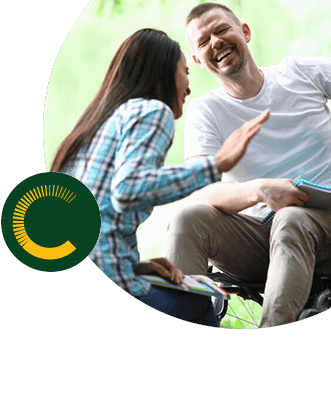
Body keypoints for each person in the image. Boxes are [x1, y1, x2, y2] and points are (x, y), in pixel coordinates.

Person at [164, 2, 331, 327]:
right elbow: (202, 190)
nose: (215, 42)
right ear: (198, 60)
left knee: (291, 218)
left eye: (221, 30)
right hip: (260, 236)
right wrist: (260, 191)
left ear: (244, 31)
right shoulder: (206, 111)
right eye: (203, 42)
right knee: (185, 218)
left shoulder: (300, 74)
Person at [51, 28, 269, 326]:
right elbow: (128, 189)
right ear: (164, 73)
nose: (189, 87)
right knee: (198, 304)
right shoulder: (154, 111)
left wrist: (136, 268)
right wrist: (216, 163)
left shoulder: (96, 126)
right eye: (186, 72)